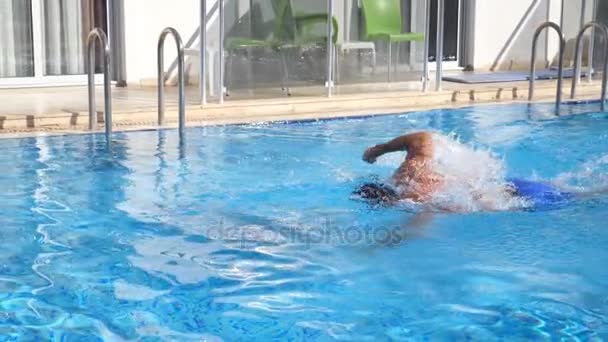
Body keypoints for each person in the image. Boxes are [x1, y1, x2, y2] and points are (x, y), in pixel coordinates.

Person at [354, 131, 573, 211]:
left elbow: (424, 223)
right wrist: (371, 154)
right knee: (569, 190)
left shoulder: (416, 195)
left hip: (508, 198)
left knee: (577, 198)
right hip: (507, 182)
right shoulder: (422, 142)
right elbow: (377, 150)